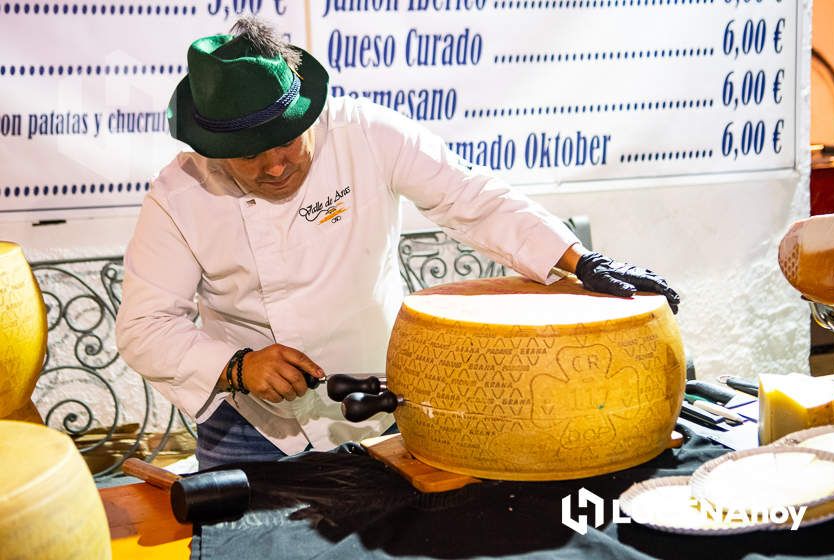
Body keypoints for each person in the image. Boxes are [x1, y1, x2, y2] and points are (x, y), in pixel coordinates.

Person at [115, 18, 680, 470]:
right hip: (250, 429)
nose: (276, 164)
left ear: (306, 111)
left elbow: (472, 198)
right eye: (250, 155)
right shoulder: (177, 194)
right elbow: (144, 328)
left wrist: (583, 262)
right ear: (213, 149)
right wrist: (236, 365)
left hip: (381, 403)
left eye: (287, 140)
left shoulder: (368, 134)